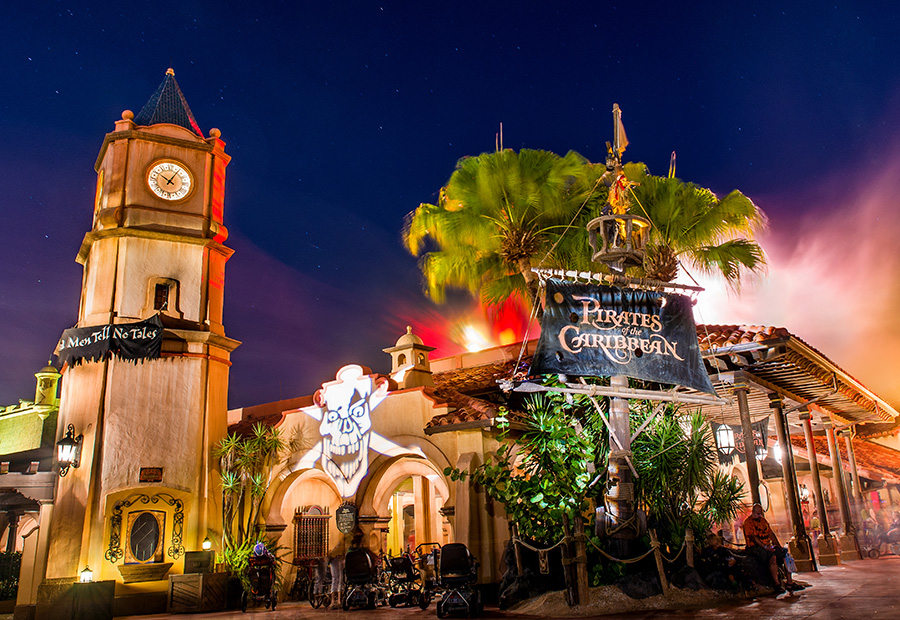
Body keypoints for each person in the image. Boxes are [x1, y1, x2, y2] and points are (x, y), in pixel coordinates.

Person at [741, 503, 797, 593]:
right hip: (756, 547)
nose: (759, 516)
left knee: (785, 555)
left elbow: (770, 534)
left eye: (760, 514)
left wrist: (779, 546)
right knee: (772, 558)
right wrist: (766, 547)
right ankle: (777, 584)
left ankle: (789, 582)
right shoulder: (748, 522)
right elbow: (754, 538)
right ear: (753, 512)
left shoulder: (763, 521)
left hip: (767, 545)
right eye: (758, 514)